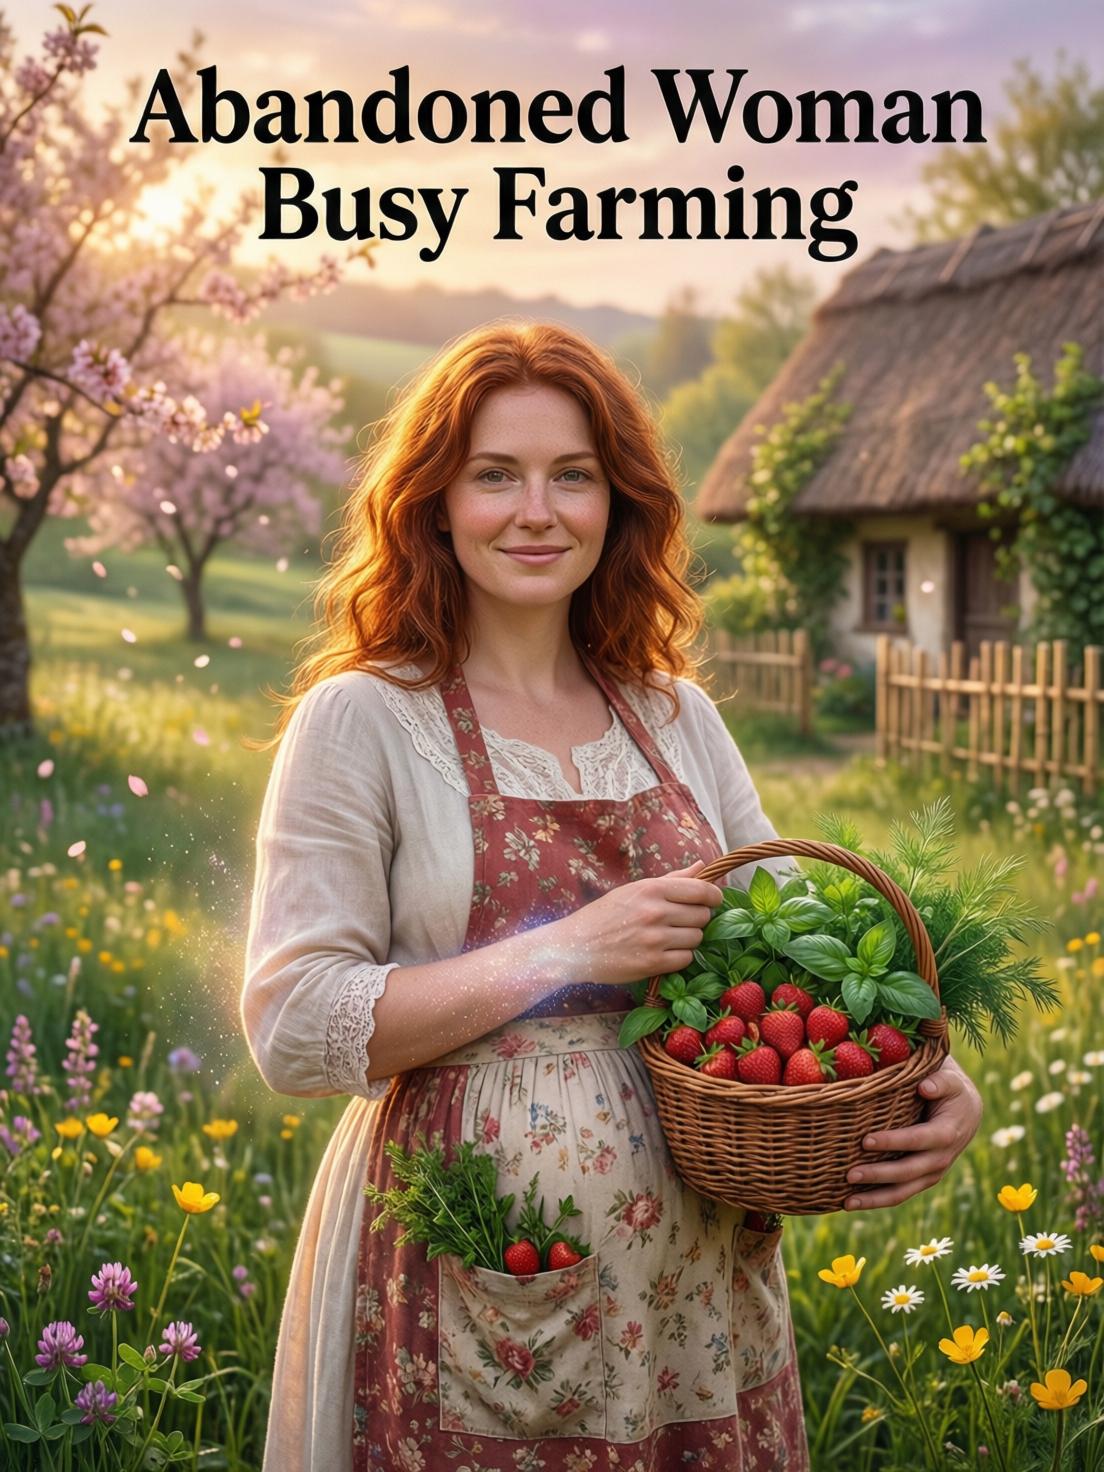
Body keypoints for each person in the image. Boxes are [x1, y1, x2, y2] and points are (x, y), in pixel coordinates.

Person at [240, 320, 983, 1472]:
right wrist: (564, 950)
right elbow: (294, 1025)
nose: (537, 511)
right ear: (435, 503)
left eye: (573, 475)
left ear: (617, 501)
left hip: (695, 1290)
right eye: (497, 474)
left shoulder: (675, 713)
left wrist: (928, 1075)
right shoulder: (367, 717)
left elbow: (802, 953)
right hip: (480, 1275)